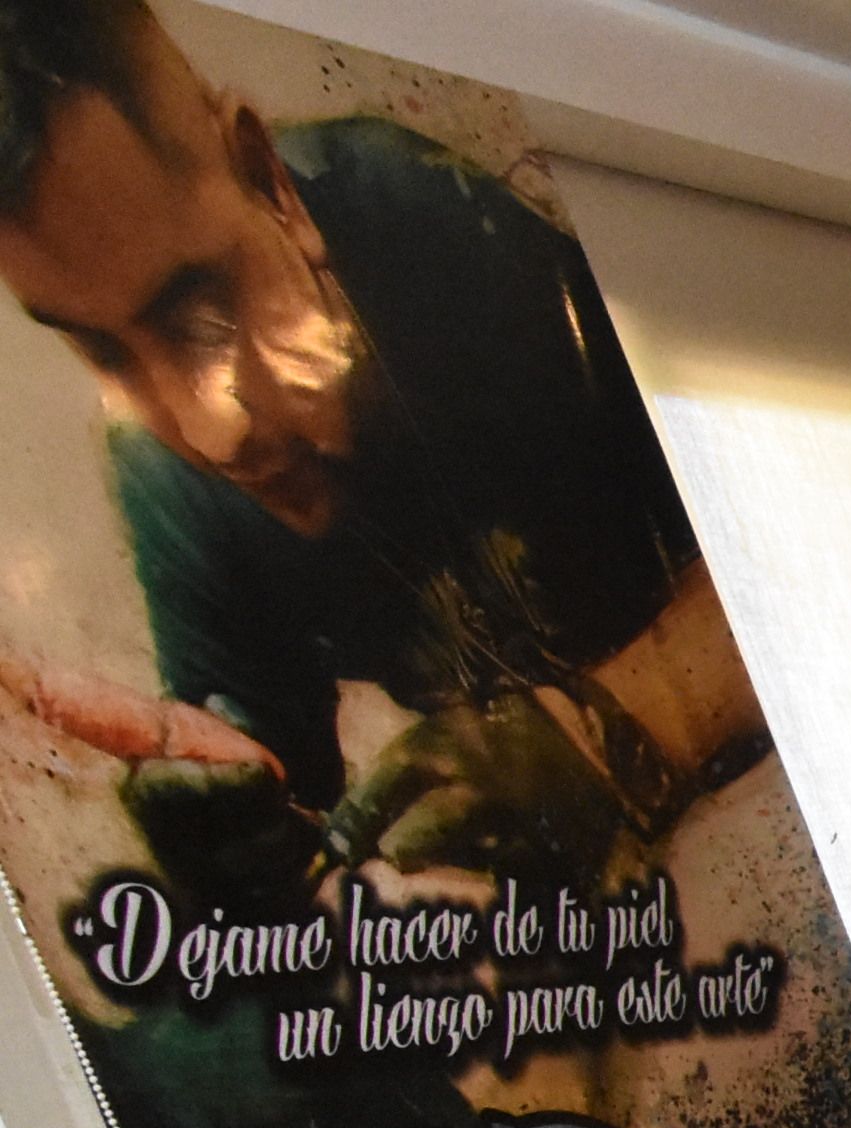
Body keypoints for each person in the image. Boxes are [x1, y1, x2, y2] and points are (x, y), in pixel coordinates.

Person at [0, 0, 755, 911]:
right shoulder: (160, 473)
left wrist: (616, 732)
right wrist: (237, 837)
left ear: (270, 183)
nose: (211, 437)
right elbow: (285, 789)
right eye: (104, 351)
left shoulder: (437, 227)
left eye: (202, 315)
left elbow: (813, 544)